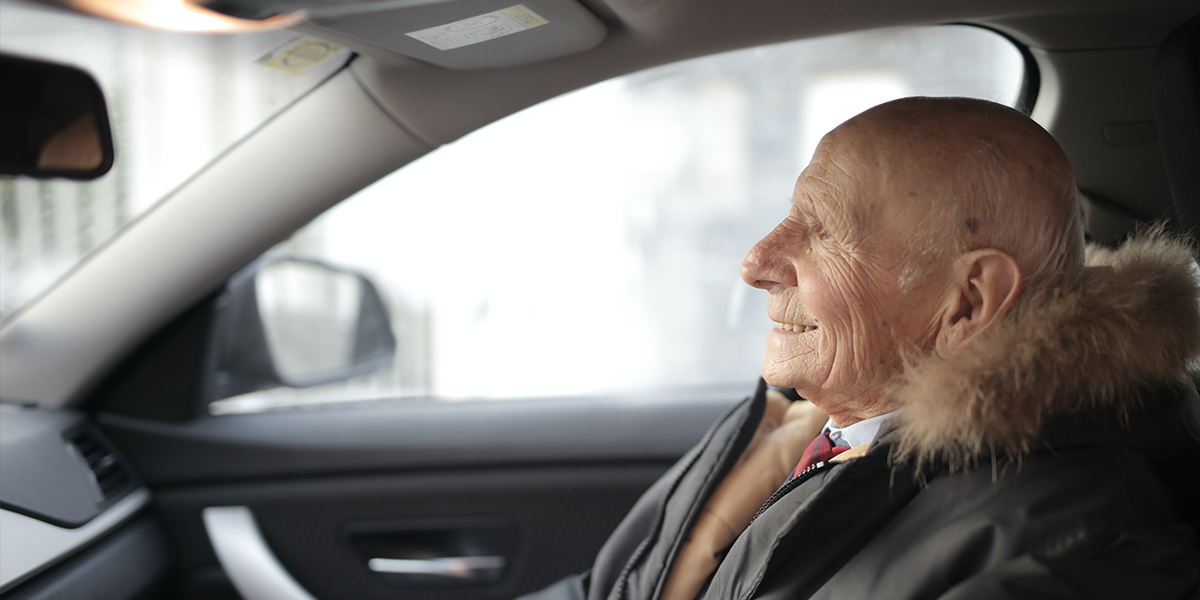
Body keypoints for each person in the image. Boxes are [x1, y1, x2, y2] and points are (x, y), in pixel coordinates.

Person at [520, 97, 1200, 600]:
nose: (755, 261)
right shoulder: (805, 421)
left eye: (821, 229)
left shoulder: (1076, 560)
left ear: (968, 300)